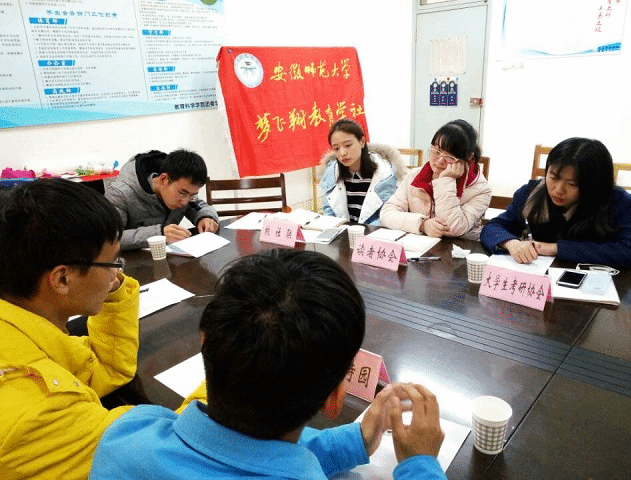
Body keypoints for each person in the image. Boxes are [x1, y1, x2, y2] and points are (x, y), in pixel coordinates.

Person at [89, 249, 447, 480]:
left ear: (204, 342)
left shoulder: (124, 437)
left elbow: (251, 455)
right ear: (335, 399)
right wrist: (420, 463)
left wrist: (356, 441)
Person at [0, 178, 140, 479]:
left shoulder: (20, 332)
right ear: (62, 279)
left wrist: (111, 289)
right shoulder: (39, 414)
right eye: (112, 263)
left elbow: (102, 367)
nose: (116, 275)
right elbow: (162, 457)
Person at [481, 137, 631, 268]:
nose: (558, 190)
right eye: (553, 177)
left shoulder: (616, 203)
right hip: (541, 281)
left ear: (593, 185)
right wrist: (511, 243)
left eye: (572, 184)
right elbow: (493, 226)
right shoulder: (531, 194)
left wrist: (557, 248)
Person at [380, 119, 491, 239]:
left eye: (450, 156)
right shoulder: (414, 176)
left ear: (468, 157)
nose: (440, 161)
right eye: (437, 151)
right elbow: (386, 214)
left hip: (459, 247)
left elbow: (453, 228)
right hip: (419, 245)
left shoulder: (481, 190)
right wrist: (422, 224)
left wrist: (445, 181)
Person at [105, 148, 220, 251]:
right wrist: (159, 234)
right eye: (182, 193)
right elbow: (108, 239)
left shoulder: (183, 191)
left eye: (192, 195)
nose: (185, 202)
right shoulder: (120, 193)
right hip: (132, 262)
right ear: (163, 179)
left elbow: (199, 207)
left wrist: (206, 217)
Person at [319, 118, 407, 225]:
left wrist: (363, 232)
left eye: (348, 145)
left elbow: (387, 214)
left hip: (374, 233)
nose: (342, 153)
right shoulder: (332, 173)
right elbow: (329, 210)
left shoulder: (385, 174)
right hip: (342, 232)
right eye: (336, 148)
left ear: (362, 142)